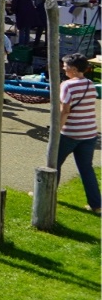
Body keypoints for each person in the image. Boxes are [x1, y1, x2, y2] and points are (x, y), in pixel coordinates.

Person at [56, 53, 101, 214]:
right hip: (89, 133)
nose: (63, 67)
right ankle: (96, 205)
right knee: (86, 169)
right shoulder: (90, 84)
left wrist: (57, 129)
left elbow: (65, 110)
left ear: (73, 69)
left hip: (70, 132)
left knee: (53, 164)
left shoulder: (67, 85)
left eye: (65, 65)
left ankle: (47, 194)